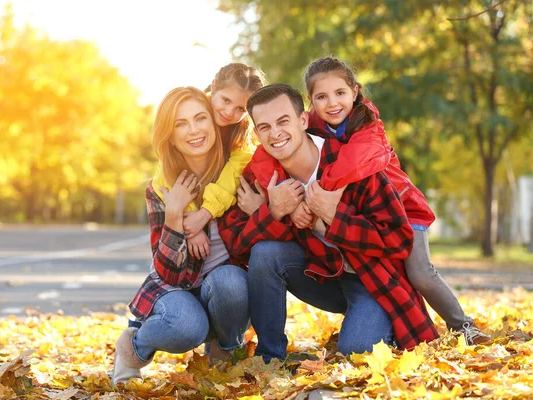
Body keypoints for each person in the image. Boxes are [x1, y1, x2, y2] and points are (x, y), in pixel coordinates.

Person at [219, 84, 438, 363]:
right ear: (256, 133)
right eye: (264, 127)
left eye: (283, 121)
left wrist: (336, 217)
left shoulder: (351, 162)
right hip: (319, 274)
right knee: (266, 254)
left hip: (370, 280)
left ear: (302, 120)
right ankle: (269, 357)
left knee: (357, 352)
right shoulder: (262, 177)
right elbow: (235, 244)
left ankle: (379, 325)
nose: (275, 134)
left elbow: (398, 239)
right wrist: (271, 212)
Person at [301, 56, 490, 345]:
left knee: (420, 273)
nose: (332, 103)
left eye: (340, 93)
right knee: (392, 279)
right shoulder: (313, 128)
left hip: (404, 211)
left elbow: (351, 164)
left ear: (355, 91)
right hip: (370, 218)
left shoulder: (369, 127)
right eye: (321, 97)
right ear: (311, 101)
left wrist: (318, 194)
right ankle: (399, 329)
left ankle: (464, 326)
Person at [112, 87, 250, 385]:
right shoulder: (160, 187)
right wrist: (174, 217)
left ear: (215, 124)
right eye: (181, 123)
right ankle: (132, 347)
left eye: (200, 118)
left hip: (222, 288)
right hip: (176, 287)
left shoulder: (237, 172)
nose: (193, 130)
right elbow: (168, 275)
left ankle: (224, 353)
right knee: (187, 326)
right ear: (170, 135)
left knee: (232, 281)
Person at [152, 63, 266, 260]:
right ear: (213, 87)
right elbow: (168, 170)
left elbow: (232, 177)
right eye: (225, 100)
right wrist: (191, 220)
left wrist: (204, 214)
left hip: (215, 211)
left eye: (241, 108)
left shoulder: (242, 133)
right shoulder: (190, 110)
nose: (230, 112)